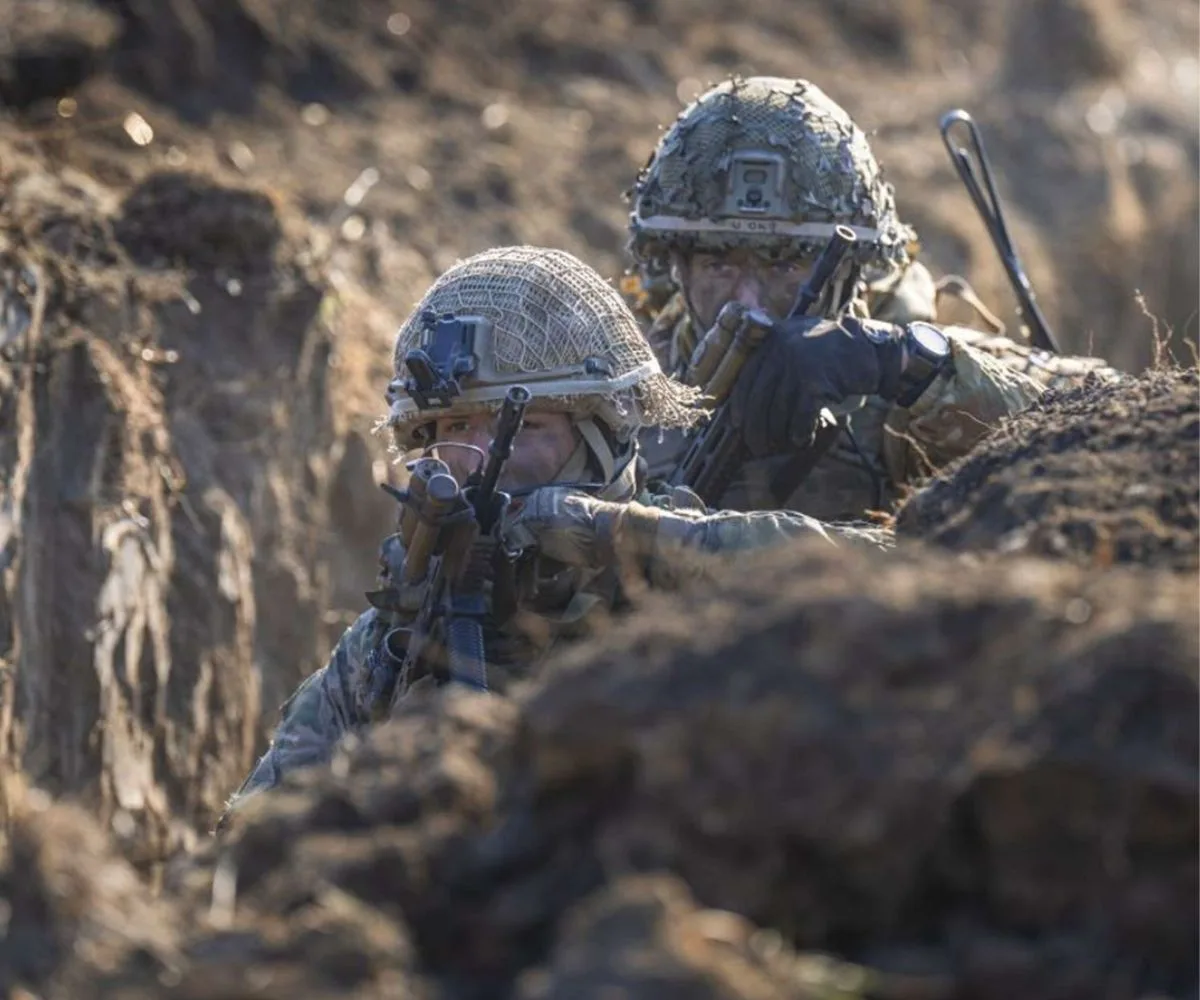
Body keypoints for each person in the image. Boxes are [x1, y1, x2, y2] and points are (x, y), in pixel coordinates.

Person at [222, 245, 877, 817]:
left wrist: (618, 539)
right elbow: (252, 840)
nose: (481, 458)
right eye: (452, 431)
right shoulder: (389, 644)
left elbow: (882, 576)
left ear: (601, 436)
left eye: (522, 427)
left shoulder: (680, 557)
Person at [625, 75, 1117, 521]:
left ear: (852, 265)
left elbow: (1131, 419)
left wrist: (904, 365)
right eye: (719, 264)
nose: (749, 302)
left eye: (785, 264)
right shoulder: (624, 384)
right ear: (676, 265)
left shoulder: (908, 380)